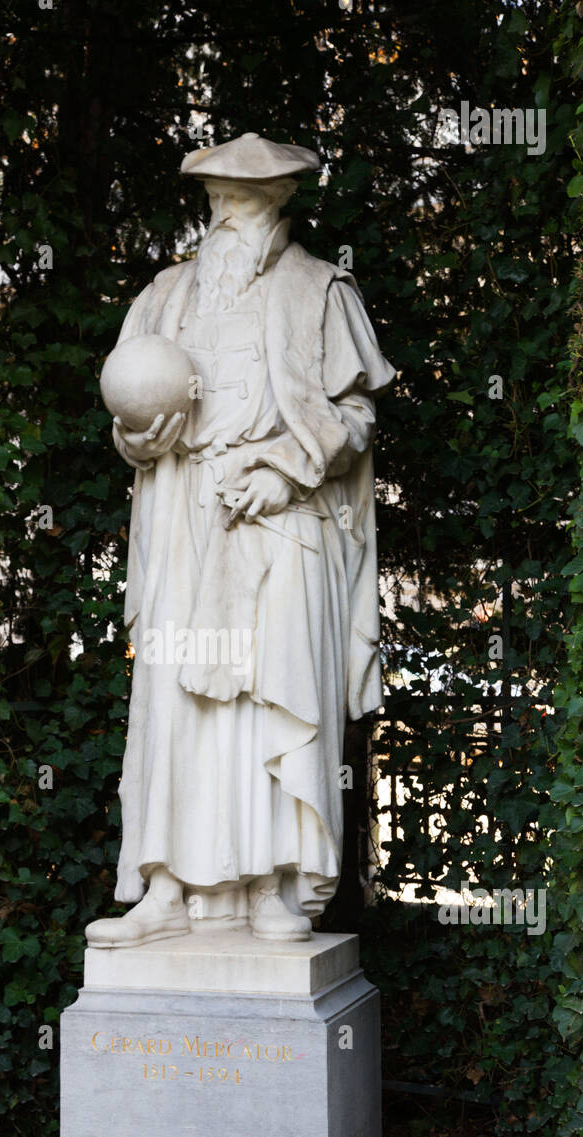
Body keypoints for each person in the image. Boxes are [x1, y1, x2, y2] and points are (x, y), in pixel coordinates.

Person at [87, 132, 395, 948]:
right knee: (176, 706)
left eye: (247, 202)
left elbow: (357, 416)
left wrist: (288, 469)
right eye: (219, 201)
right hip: (184, 519)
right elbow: (133, 421)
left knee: (268, 705)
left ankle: (270, 884)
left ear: (280, 206)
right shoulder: (163, 296)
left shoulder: (320, 291)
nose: (230, 218)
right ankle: (167, 885)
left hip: (277, 523)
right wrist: (143, 441)